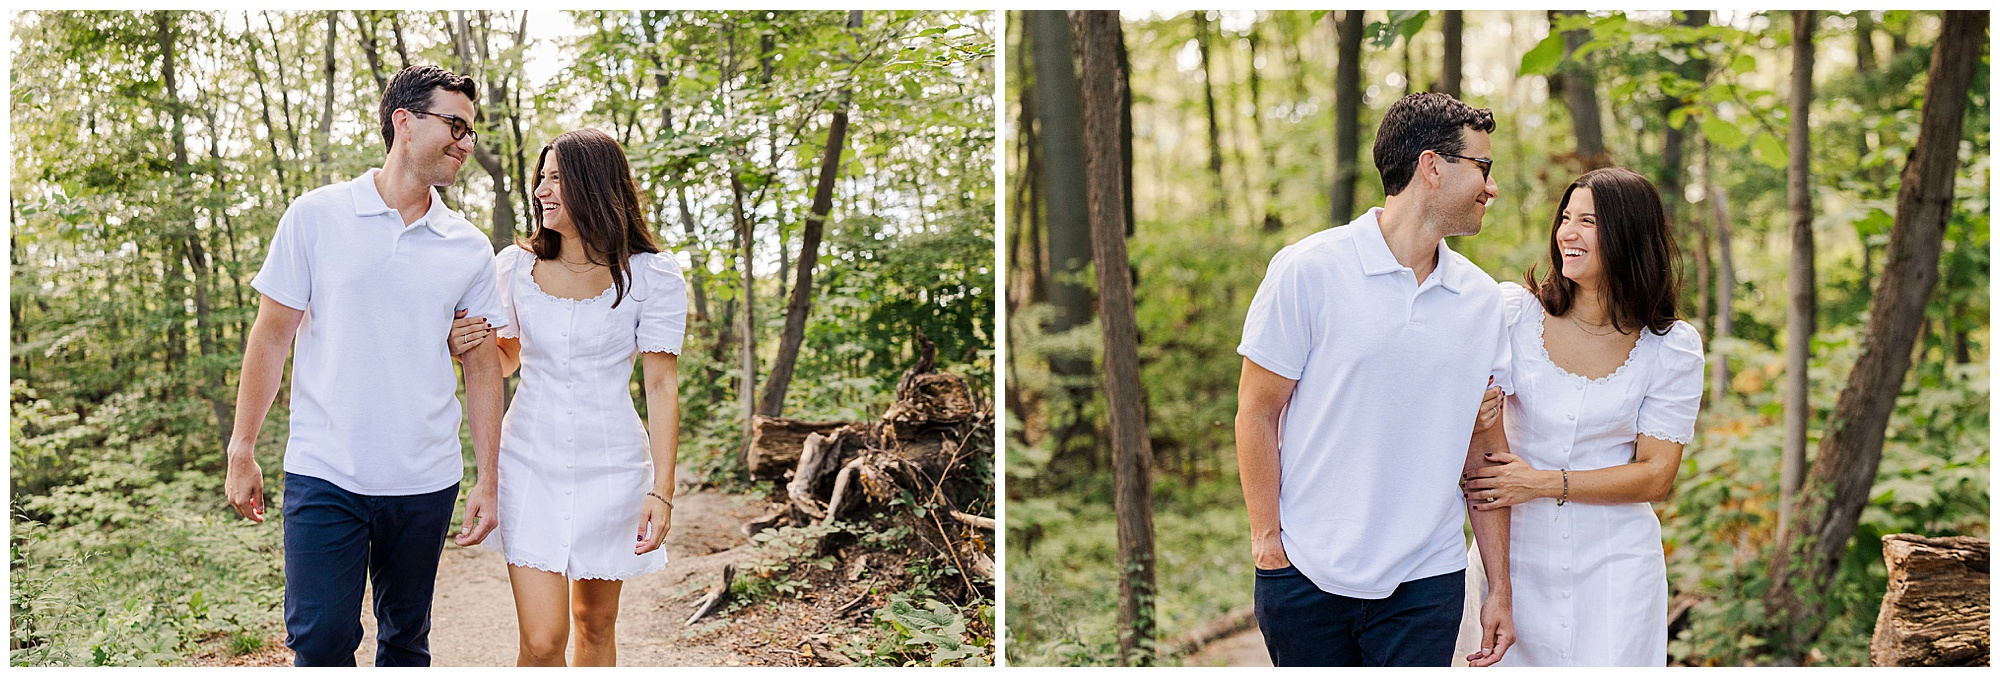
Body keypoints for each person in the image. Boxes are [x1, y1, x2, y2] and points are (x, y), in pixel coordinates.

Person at [222, 65, 509, 667]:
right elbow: (271, 338)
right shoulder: (315, 216)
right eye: (454, 125)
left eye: (471, 132)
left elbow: (483, 368)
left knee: (405, 644)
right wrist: (241, 449)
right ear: (404, 123)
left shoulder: (468, 247)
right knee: (320, 640)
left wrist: (489, 479)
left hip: (424, 478)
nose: (465, 143)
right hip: (325, 471)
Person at [1234, 92, 1516, 667]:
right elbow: (1256, 413)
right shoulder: (1308, 271)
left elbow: (1484, 458)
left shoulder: (1484, 302)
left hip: (1426, 580)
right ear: (1432, 166)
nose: (1492, 187)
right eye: (1482, 168)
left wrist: (1498, 589)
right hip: (1306, 575)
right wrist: (1268, 545)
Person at [446, 128, 686, 667]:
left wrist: (662, 491)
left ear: (594, 186)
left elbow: (661, 385)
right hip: (530, 461)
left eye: (556, 178)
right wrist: (465, 345)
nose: (542, 190)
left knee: (595, 626)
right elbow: (506, 359)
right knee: (542, 640)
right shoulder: (515, 267)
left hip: (614, 466)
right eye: (541, 178)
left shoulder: (652, 274)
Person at [1454, 167, 1705, 666]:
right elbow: (1477, 437)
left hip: (1616, 570)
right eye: (1566, 217)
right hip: (1513, 558)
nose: (1567, 231)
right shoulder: (1512, 314)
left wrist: (1543, 482)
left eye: (1587, 221)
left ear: (1627, 235)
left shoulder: (1672, 347)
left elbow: (1656, 475)